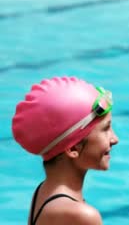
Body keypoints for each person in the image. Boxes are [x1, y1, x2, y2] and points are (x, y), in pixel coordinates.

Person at [11, 76, 119, 225]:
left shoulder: (44, 192)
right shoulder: (81, 215)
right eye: (106, 129)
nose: (115, 139)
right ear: (73, 148)